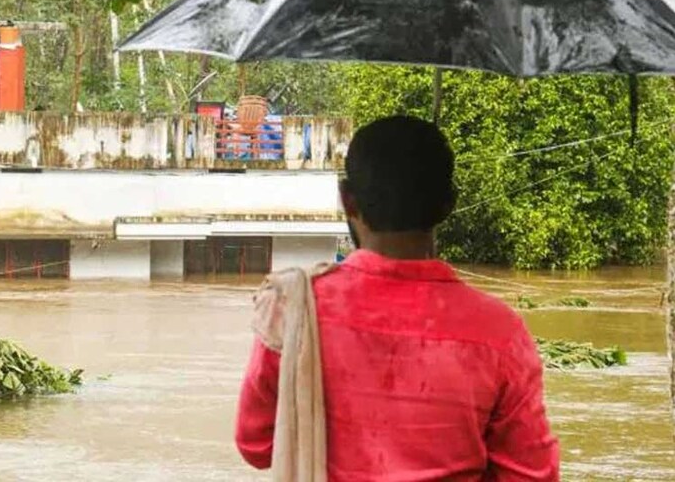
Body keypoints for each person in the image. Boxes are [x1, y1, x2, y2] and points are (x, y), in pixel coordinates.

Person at [235, 115, 559, 480]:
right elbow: (532, 474)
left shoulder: (292, 308)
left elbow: (257, 444)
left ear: (347, 200)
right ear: (448, 204)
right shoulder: (501, 333)